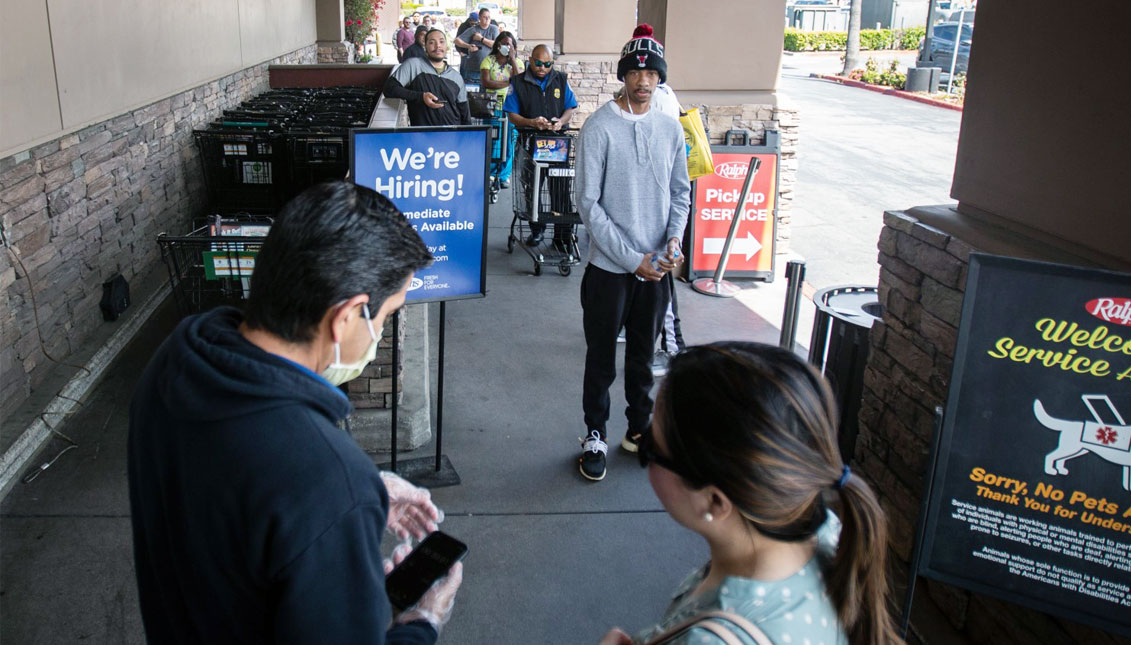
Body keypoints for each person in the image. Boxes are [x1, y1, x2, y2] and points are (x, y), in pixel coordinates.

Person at [128, 182, 464, 644]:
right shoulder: (325, 480)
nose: (380, 334)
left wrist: (360, 492)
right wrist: (422, 623)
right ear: (347, 318)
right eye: (386, 316)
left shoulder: (176, 362)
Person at [599, 343, 903, 645]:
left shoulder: (708, 642)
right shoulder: (828, 535)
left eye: (652, 448)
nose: (646, 449)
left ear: (715, 501)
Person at [575, 32, 689, 481]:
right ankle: (595, 433)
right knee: (601, 357)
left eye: (652, 73)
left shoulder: (669, 127)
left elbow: (681, 191)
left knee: (643, 356)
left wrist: (673, 242)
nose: (644, 80)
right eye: (636, 72)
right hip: (609, 270)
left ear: (660, 78)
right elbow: (588, 204)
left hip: (656, 268)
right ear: (623, 76)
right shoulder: (599, 127)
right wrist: (630, 259)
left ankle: (638, 429)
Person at [503, 44, 579, 247]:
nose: (543, 68)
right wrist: (531, 122)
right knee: (532, 190)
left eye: (547, 64)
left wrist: (561, 121)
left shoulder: (561, 80)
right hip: (530, 143)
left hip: (558, 145)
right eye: (538, 63)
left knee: (561, 191)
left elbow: (570, 107)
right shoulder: (518, 83)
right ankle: (537, 230)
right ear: (530, 61)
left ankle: (562, 237)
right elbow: (511, 114)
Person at [384, 28, 471, 126]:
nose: (438, 46)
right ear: (425, 46)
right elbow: (389, 89)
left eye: (442, 42)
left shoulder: (456, 77)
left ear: (446, 46)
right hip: (422, 135)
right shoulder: (413, 65)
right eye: (432, 42)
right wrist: (420, 96)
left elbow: (465, 113)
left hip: (452, 134)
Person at [480, 31, 523, 189]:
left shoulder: (517, 62)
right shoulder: (488, 61)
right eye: (504, 43)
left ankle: (504, 175)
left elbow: (519, 82)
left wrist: (512, 58)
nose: (506, 46)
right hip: (492, 108)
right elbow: (486, 82)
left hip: (512, 110)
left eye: (510, 44)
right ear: (498, 45)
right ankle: (491, 173)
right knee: (493, 141)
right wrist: (508, 82)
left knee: (510, 142)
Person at [454, 8, 500, 84]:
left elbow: (496, 45)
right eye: (485, 17)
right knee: (473, 92)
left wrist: (481, 39)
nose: (487, 19)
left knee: (489, 93)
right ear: (480, 18)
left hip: (490, 68)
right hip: (474, 68)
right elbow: (457, 41)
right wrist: (468, 46)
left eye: (489, 17)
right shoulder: (473, 29)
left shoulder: (494, 29)